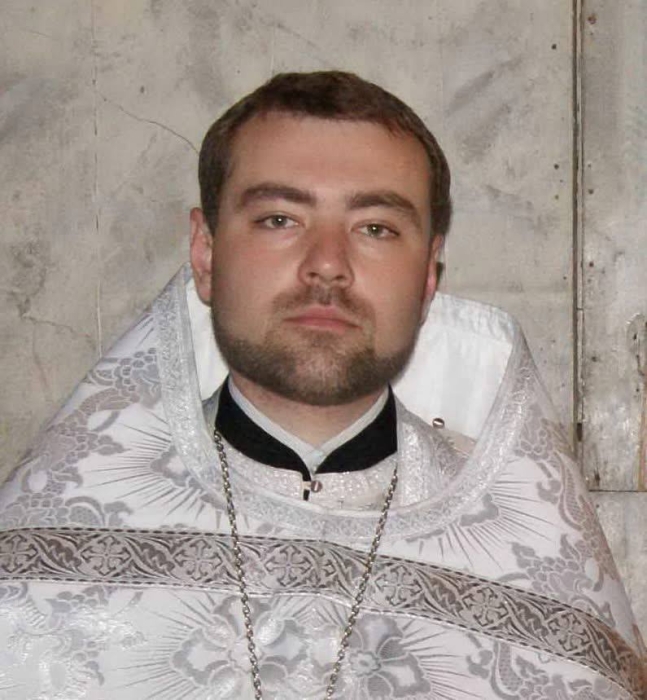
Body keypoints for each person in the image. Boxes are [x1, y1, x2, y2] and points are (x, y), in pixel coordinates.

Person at [0, 71, 644, 699]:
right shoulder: (37, 572)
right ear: (205, 253)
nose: (328, 265)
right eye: (280, 219)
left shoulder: (536, 582)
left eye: (375, 228)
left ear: (428, 275)